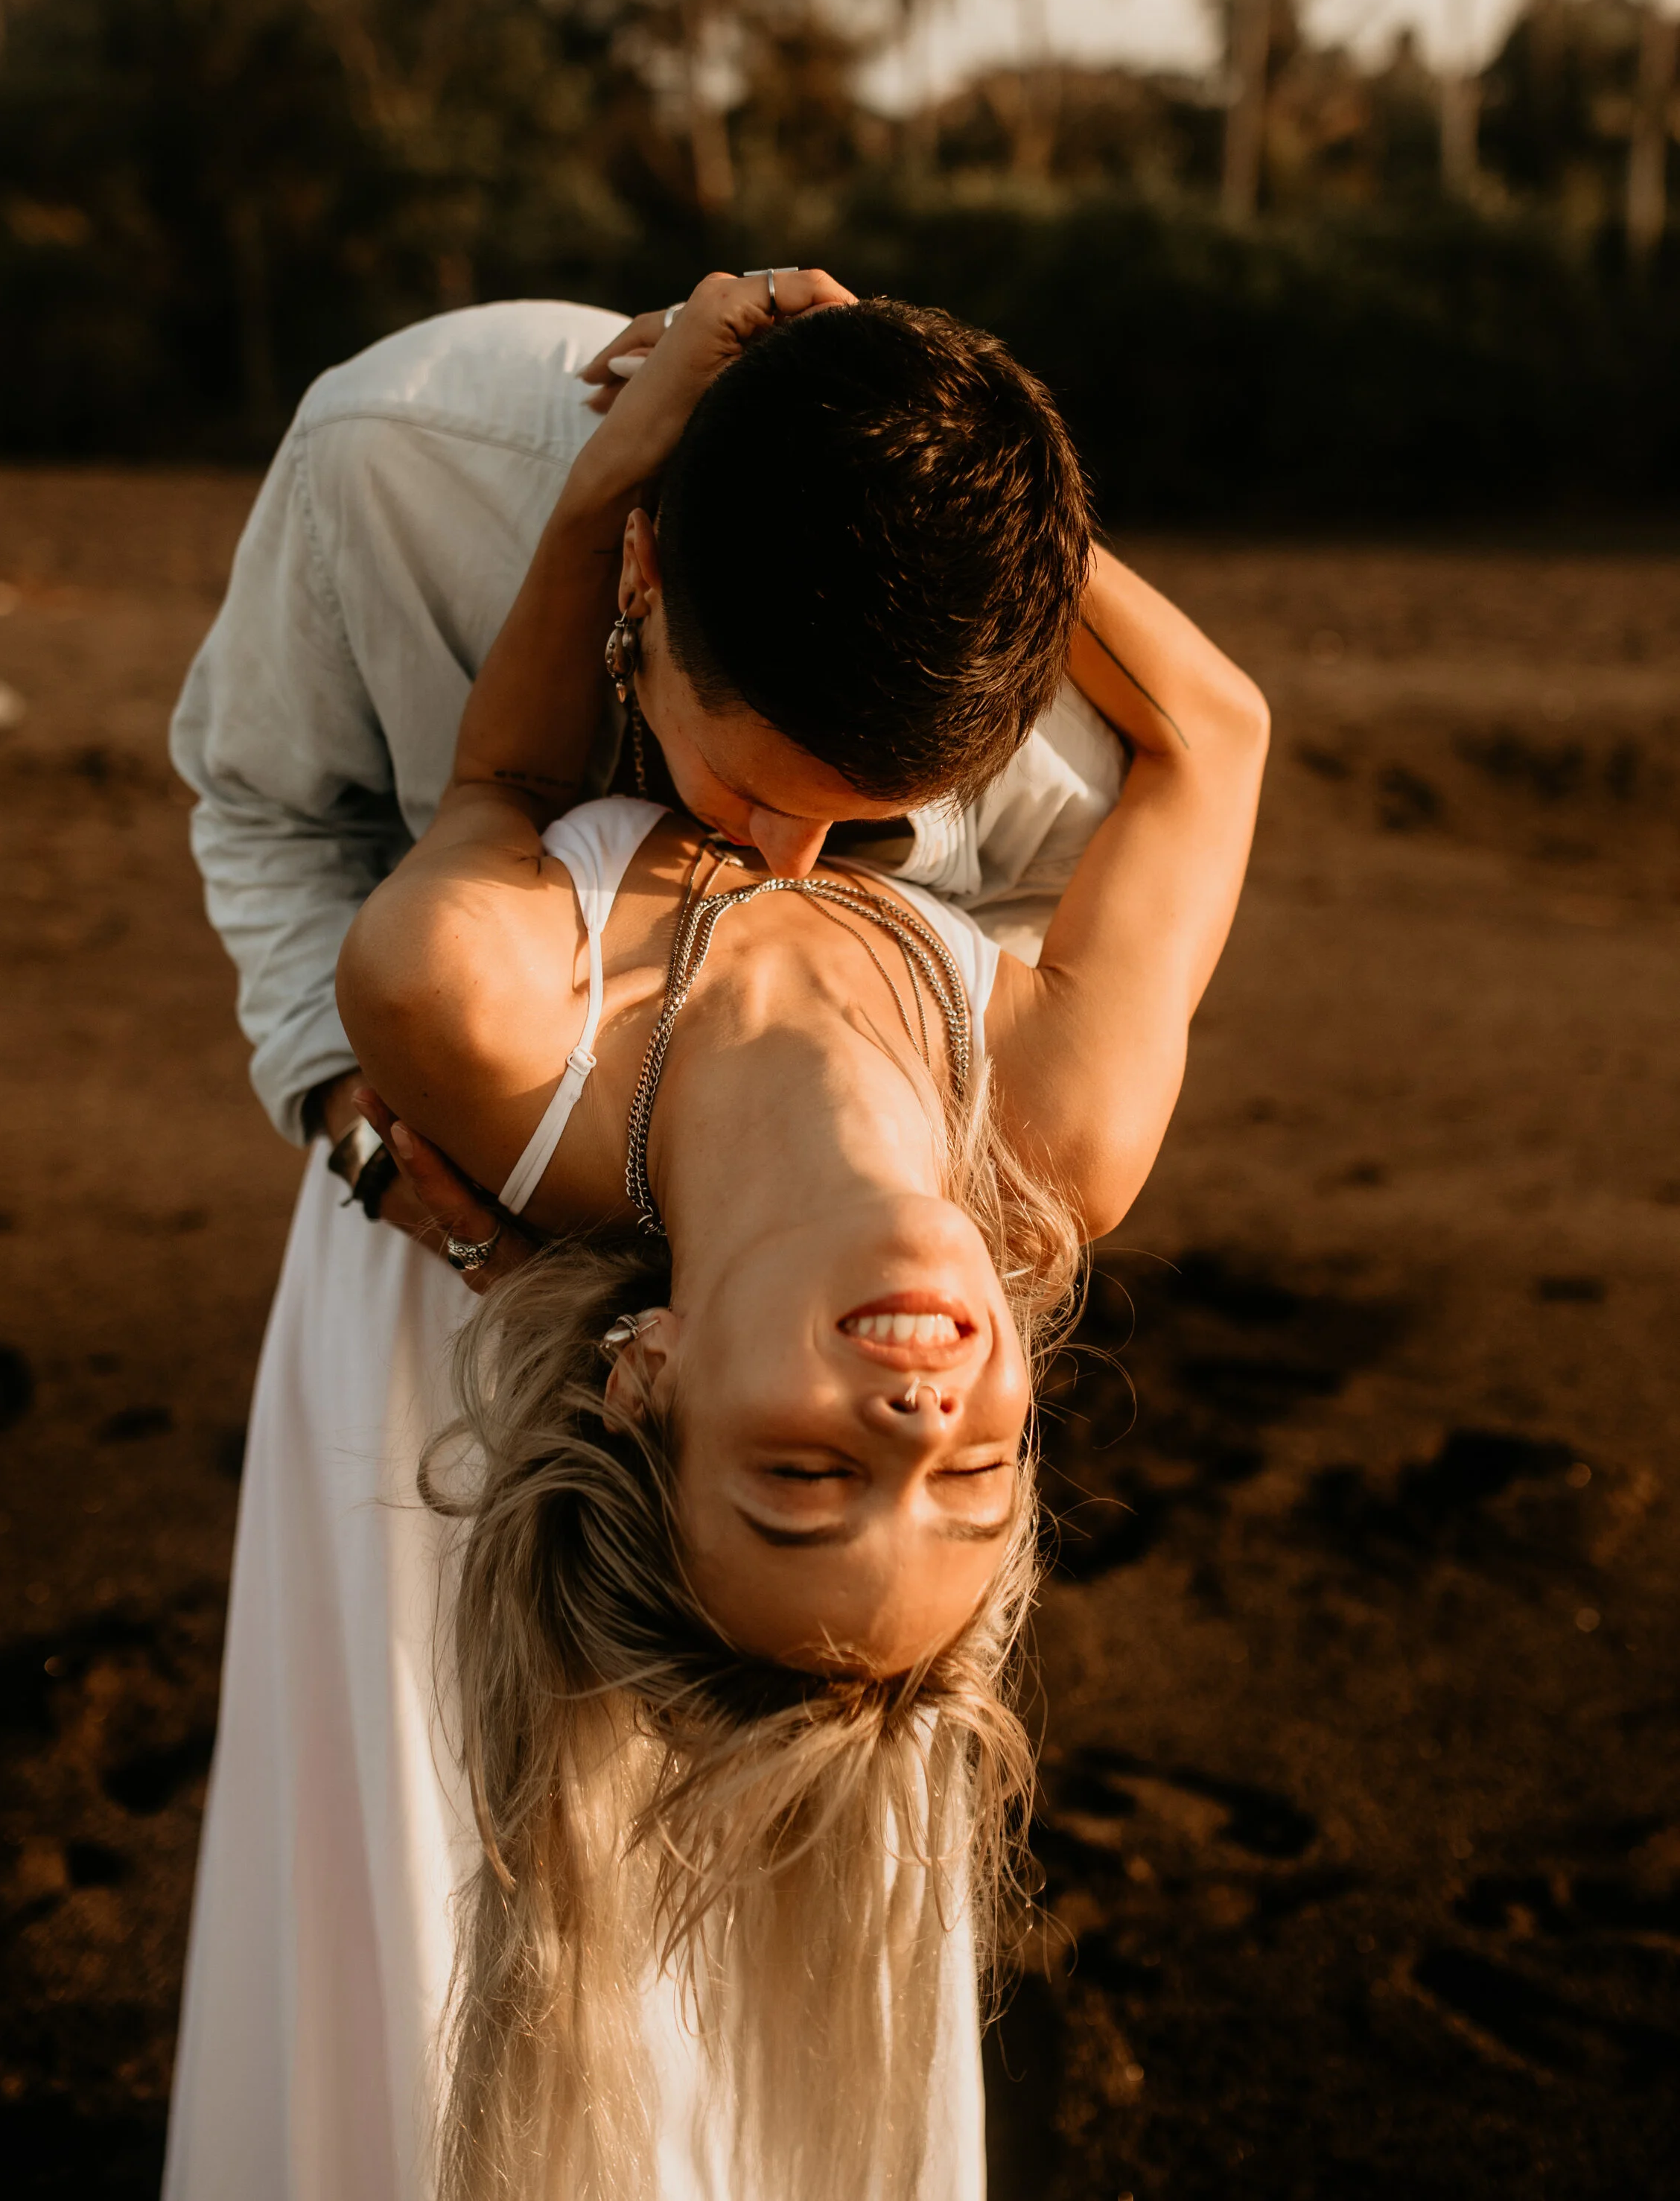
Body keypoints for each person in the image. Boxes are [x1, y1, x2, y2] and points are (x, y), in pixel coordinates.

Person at [162, 271, 1133, 2201]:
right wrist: (347, 1096)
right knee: (440, 1862)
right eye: (753, 786)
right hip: (445, 1266)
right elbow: (263, 801)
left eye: (860, 828)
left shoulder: (998, 691)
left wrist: (854, 1125)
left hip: (814, 1295)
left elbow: (1055, 883)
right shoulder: (392, 461)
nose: (774, 862)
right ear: (637, 596)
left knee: (783, 1820)